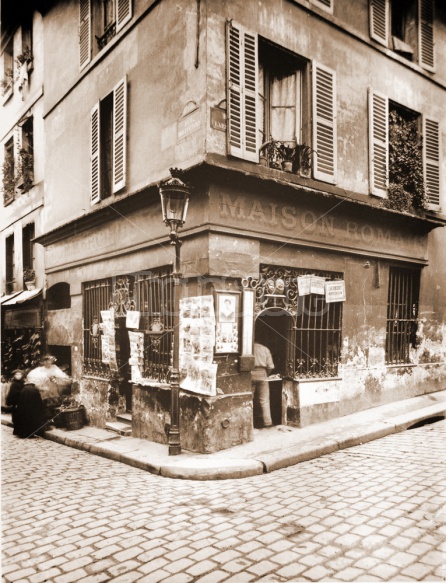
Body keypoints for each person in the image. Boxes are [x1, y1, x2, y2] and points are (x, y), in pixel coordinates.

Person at [252, 342, 275, 428]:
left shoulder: (248, 347)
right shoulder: (265, 348)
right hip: (262, 374)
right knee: (264, 400)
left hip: (250, 374)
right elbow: (270, 367)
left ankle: (250, 424)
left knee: (249, 399)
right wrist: (266, 374)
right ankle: (268, 423)